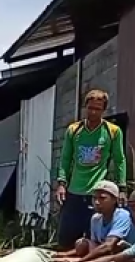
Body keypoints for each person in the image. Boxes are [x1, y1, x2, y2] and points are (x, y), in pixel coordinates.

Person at [55, 89, 128, 250]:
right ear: (85, 107)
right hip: (74, 192)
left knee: (92, 241)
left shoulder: (113, 131)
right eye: (90, 108)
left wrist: (122, 188)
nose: (93, 112)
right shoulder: (74, 130)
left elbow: (119, 160)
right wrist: (61, 183)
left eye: (98, 109)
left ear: (104, 110)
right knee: (66, 239)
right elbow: (66, 158)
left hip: (96, 194)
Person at [53, 179, 135, 262]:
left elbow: (108, 246)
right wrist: (64, 255)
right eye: (94, 198)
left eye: (102, 198)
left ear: (115, 200)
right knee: (83, 244)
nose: (96, 202)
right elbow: (93, 245)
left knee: (118, 248)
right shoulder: (95, 219)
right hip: (114, 259)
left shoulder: (122, 216)